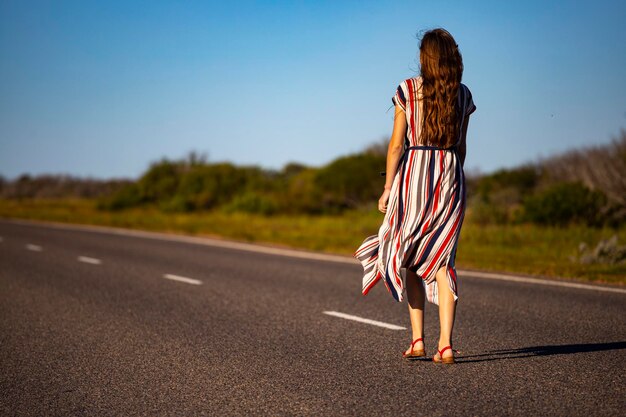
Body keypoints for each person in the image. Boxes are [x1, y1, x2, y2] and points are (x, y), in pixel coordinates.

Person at [354, 28, 476, 365]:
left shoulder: (407, 90)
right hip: (451, 174)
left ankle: (418, 340)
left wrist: (388, 187)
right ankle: (446, 345)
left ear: (425, 58)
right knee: (442, 259)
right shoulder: (463, 95)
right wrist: (452, 179)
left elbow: (396, 145)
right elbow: (462, 147)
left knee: (409, 255)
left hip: (415, 172)